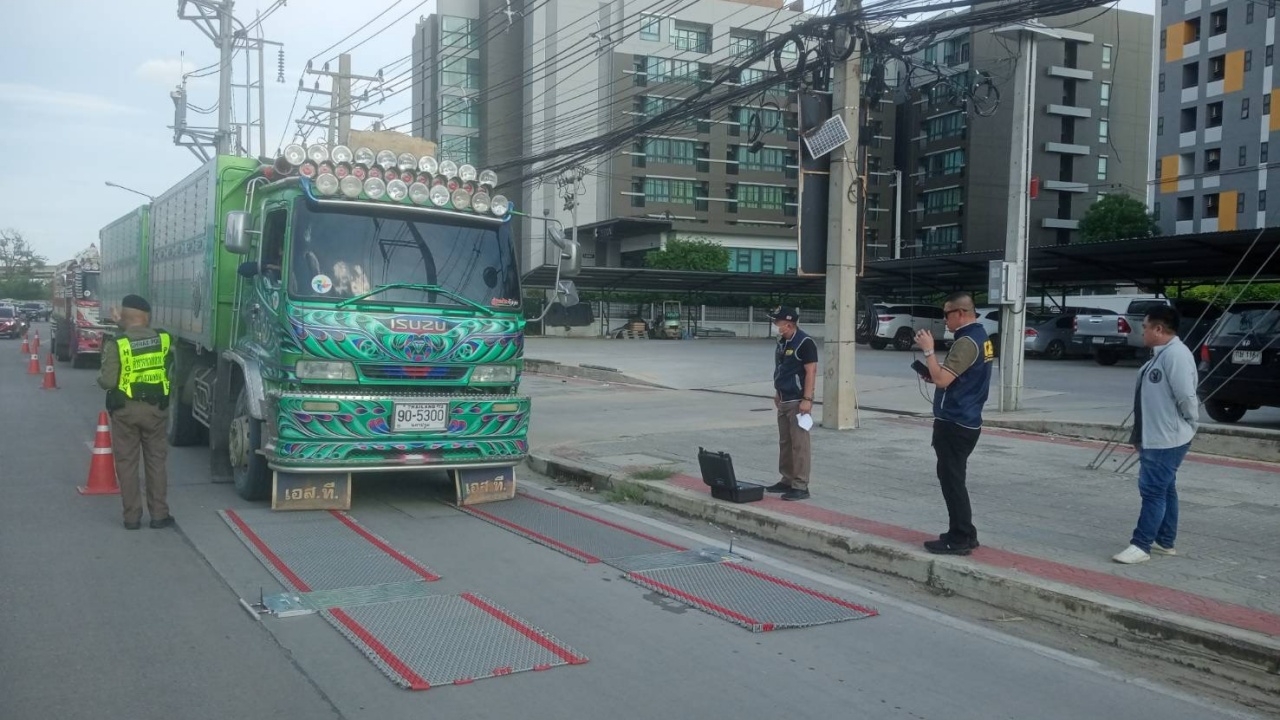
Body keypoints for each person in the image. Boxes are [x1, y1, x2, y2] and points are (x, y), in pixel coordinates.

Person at [1112, 305, 1199, 564]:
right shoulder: (1161, 355)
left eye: (1146, 327)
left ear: (1158, 329)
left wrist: (1189, 423)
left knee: (1152, 491)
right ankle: (1165, 540)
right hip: (1155, 436)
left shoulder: (1176, 356)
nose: (1143, 332)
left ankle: (1141, 545)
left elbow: (1186, 396)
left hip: (1166, 438)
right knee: (1165, 489)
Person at [914, 292, 994, 555]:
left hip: (955, 421)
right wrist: (935, 373)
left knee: (952, 481)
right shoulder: (982, 338)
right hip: (968, 419)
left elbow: (942, 381)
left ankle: (959, 538)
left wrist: (928, 350)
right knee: (955, 478)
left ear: (960, 313)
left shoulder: (966, 342)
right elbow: (961, 377)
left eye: (946, 314)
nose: (944, 320)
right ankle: (966, 532)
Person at [97, 294, 175, 531]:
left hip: (126, 413)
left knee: (127, 463)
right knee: (156, 462)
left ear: (125, 316)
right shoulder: (163, 339)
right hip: (155, 412)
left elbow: (109, 382)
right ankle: (159, 515)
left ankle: (132, 518)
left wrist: (100, 379)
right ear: (148, 317)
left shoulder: (117, 343)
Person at [766, 307, 818, 501]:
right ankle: (786, 479)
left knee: (799, 445)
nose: (774, 325)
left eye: (776, 322)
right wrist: (777, 392)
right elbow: (781, 369)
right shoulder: (782, 342)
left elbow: (811, 371)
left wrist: (807, 399)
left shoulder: (804, 342)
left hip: (798, 401)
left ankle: (801, 485)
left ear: (788, 324)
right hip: (784, 398)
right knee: (785, 443)